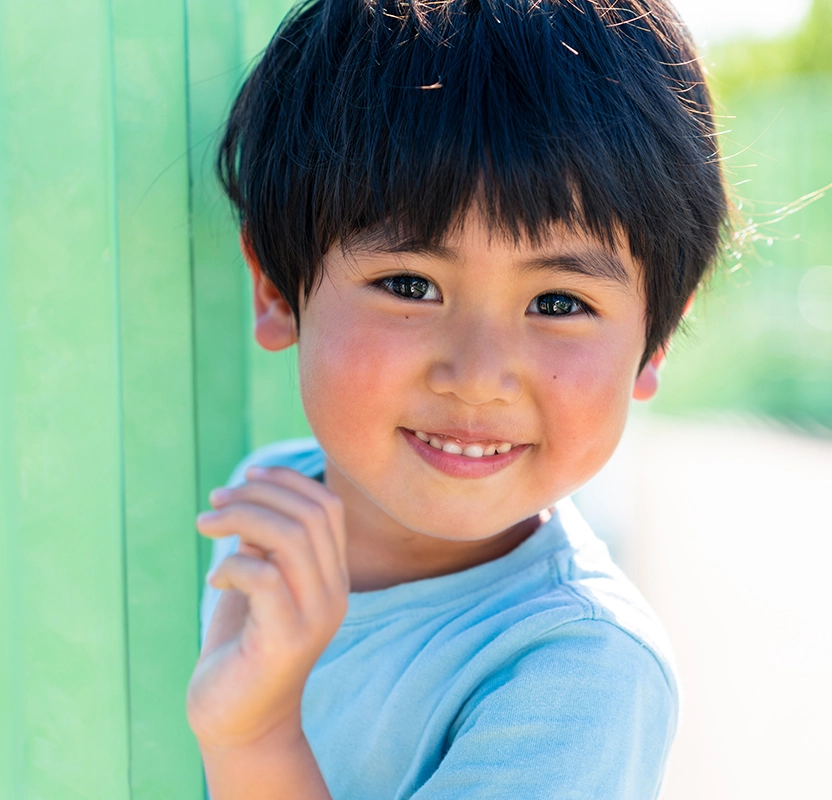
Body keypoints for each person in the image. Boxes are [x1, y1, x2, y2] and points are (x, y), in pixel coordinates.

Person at [188, 0, 729, 797]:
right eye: (411, 285)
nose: (478, 376)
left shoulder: (580, 674)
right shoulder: (273, 510)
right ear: (276, 288)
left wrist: (257, 737)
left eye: (558, 303)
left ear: (654, 342)